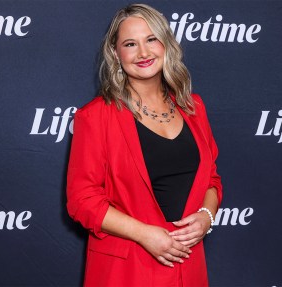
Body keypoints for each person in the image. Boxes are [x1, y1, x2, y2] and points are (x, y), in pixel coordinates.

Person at [67, 3, 222, 287]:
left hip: (188, 266)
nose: (143, 52)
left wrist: (206, 216)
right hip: (127, 269)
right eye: (130, 43)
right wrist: (144, 234)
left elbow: (211, 179)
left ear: (165, 43)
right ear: (116, 53)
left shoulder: (194, 107)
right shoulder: (95, 116)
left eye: (151, 39)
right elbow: (82, 201)